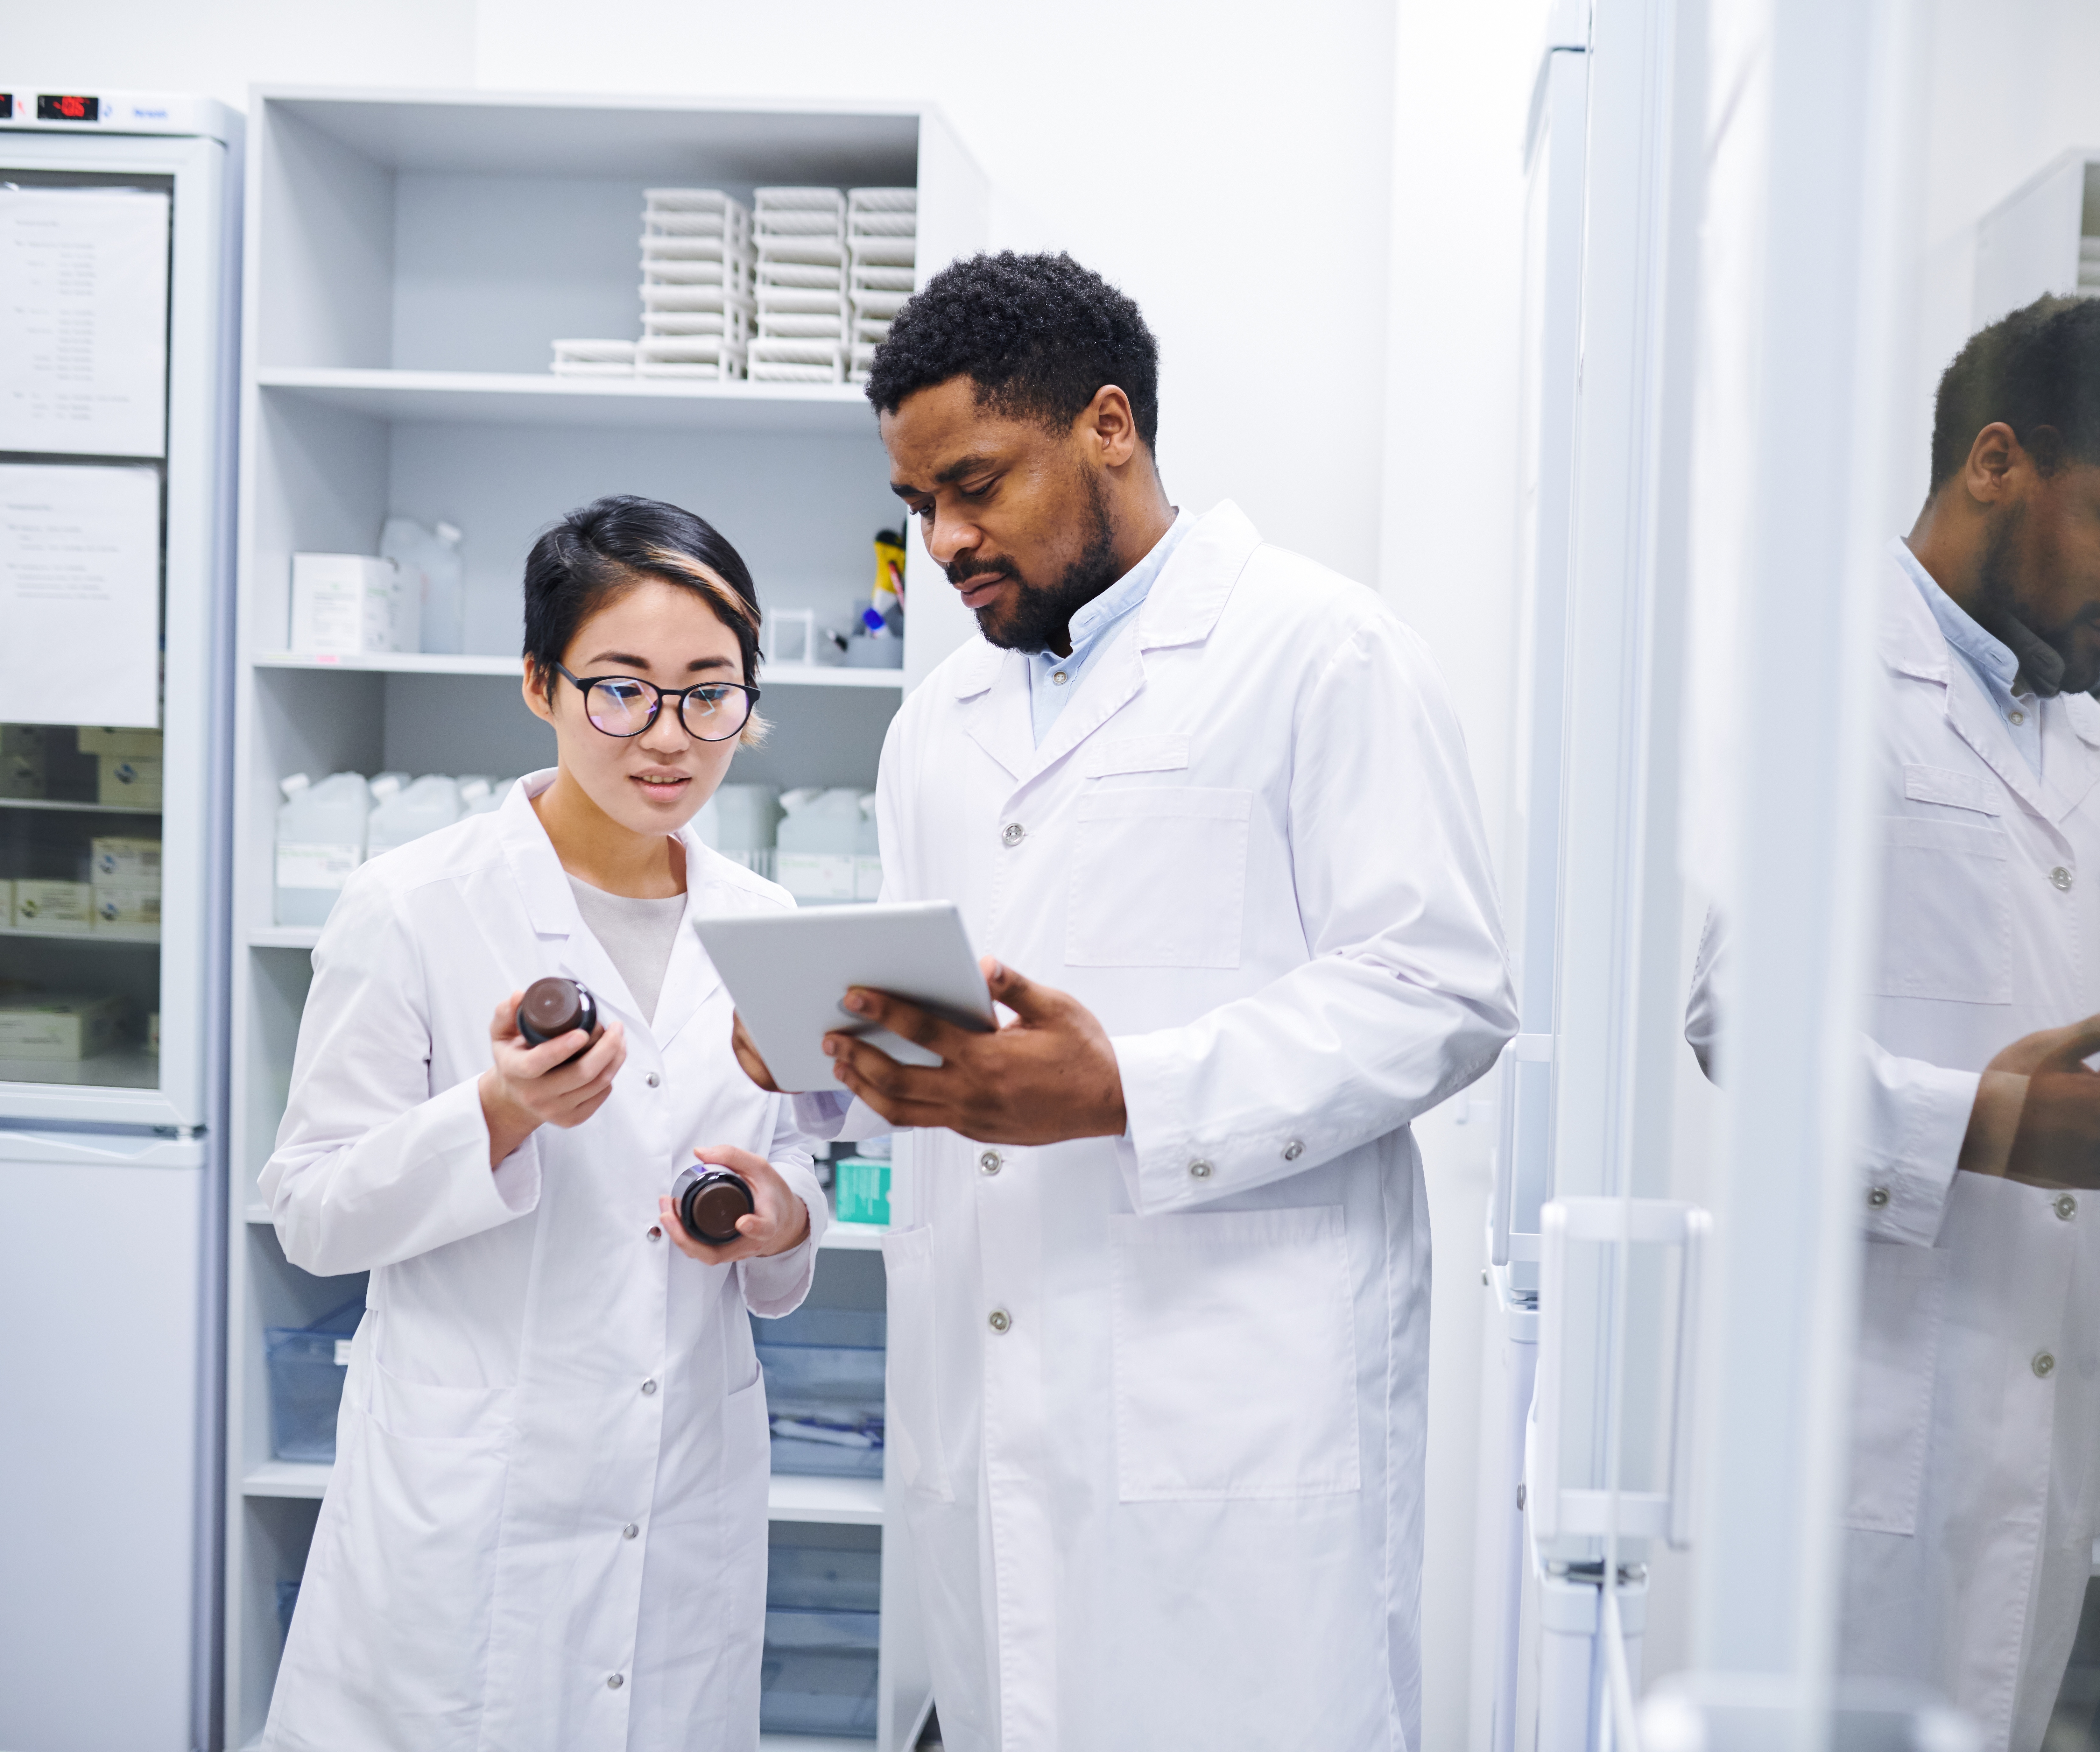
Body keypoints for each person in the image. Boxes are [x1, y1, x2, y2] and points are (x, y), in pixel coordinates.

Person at [734, 252, 1515, 1748]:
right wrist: (829, 1059)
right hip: (990, 1421)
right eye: (918, 507)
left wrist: (1127, 1091)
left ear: (1109, 427)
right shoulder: (937, 726)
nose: (945, 542)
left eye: (975, 484)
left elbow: (1444, 988)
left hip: (1235, 1425)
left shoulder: (1320, 652)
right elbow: (939, 1071)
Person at [1687, 296, 2100, 1751]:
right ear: (1998, 461)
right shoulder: (1807, 678)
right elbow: (1733, 1011)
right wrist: (1993, 1122)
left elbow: (2084, 1045)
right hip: (1850, 1423)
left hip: (2039, 1434)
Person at [260, 496, 830, 1751]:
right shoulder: (411, 903)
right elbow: (309, 1208)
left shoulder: (767, 917)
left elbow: (787, 1219)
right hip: (470, 1510)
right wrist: (498, 1113)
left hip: (682, 1493)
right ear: (540, 682)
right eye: (621, 689)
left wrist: (782, 1217)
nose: (668, 736)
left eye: (709, 692)